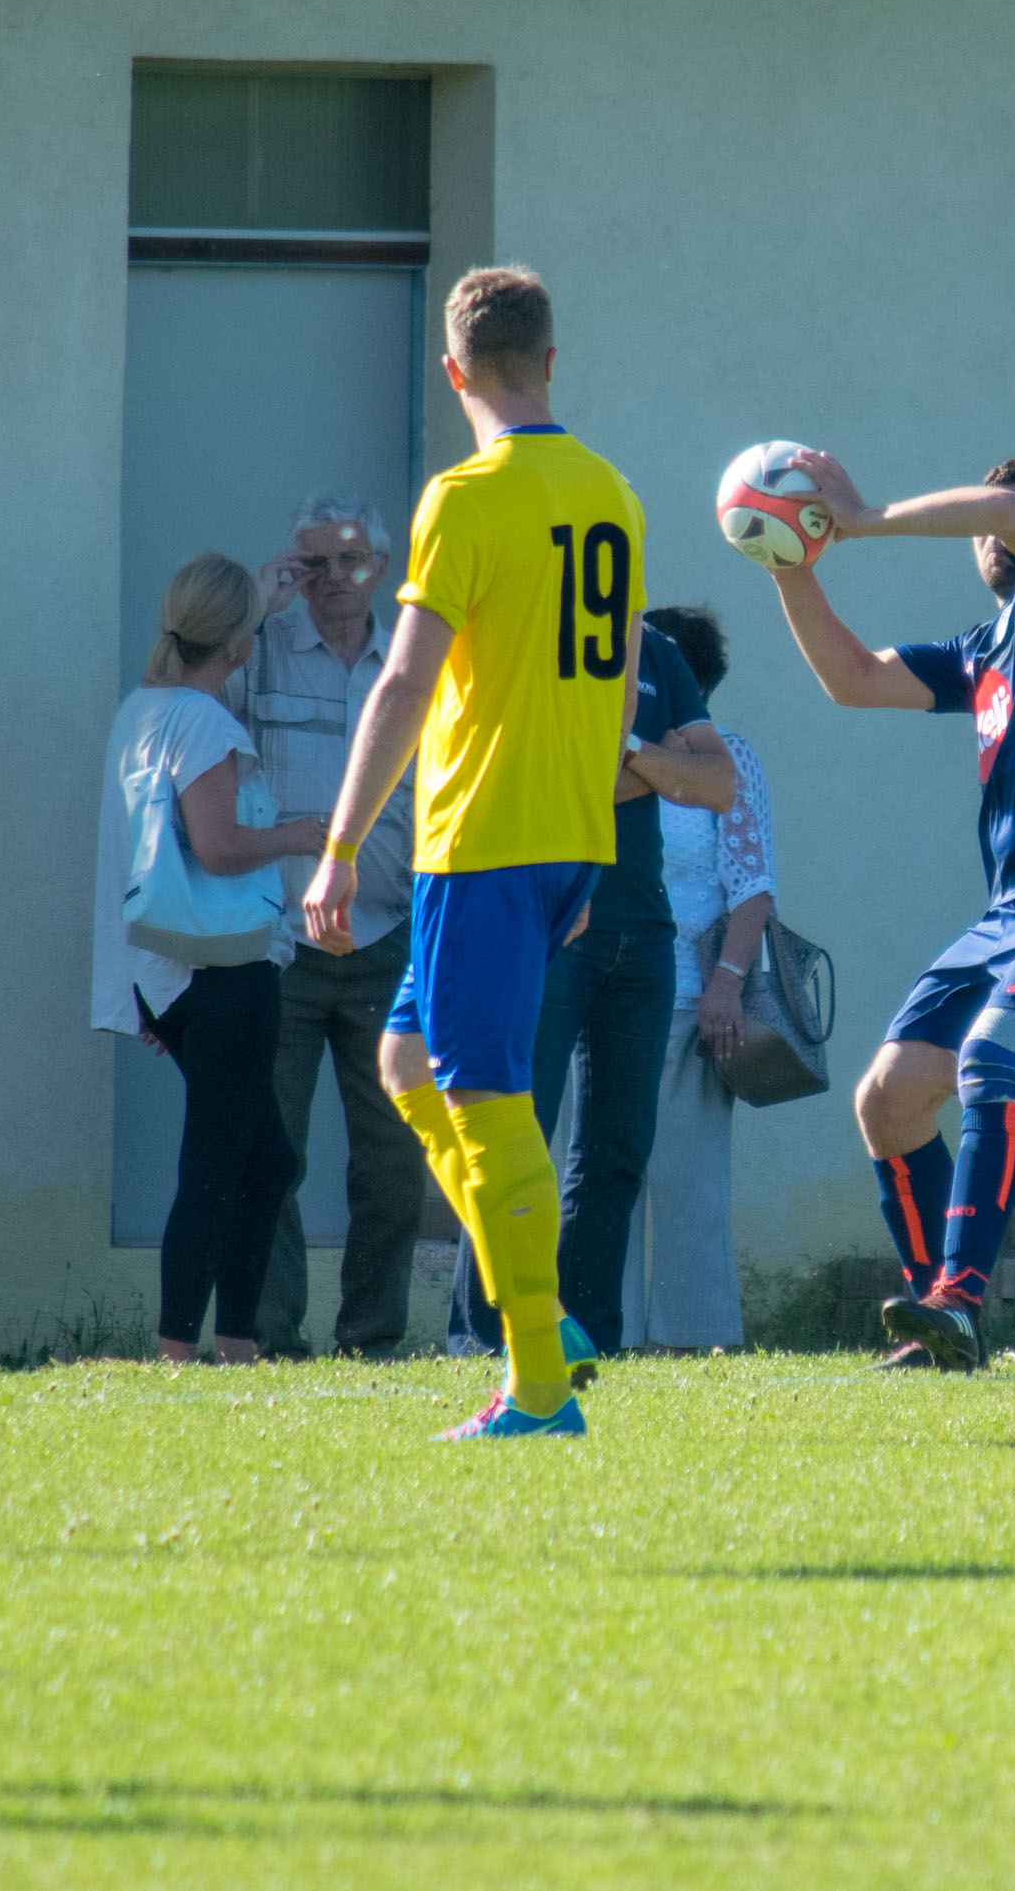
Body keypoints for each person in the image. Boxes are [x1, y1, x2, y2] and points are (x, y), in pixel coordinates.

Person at [301, 263, 646, 1441]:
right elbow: (620, 681)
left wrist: (341, 845)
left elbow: (403, 680)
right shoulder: (611, 490)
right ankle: (549, 1321)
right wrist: (589, 844)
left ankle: (539, 1380)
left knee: (487, 1096)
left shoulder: (463, 496)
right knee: (407, 1063)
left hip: (484, 837)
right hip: (563, 833)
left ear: (453, 371)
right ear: (549, 361)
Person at [761, 449, 1015, 1373]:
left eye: (1008, 515)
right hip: (1008, 914)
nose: (990, 530)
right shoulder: (979, 651)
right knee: (888, 1101)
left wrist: (863, 517)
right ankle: (941, 1332)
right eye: (982, 522)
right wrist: (789, 566)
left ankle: (959, 1298)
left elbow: (1008, 514)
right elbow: (853, 678)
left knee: (991, 1055)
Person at [447, 615, 734, 1360]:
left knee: (617, 1151)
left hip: (643, 932)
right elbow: (548, 779)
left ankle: (586, 1339)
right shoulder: (531, 630)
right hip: (546, 926)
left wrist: (627, 750)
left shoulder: (658, 651)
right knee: (516, 1136)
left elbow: (718, 782)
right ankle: (482, 1338)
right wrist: (662, 762)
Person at [94, 553, 325, 1363]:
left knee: (266, 1163)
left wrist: (260, 601)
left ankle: (233, 1345)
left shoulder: (144, 708)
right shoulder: (206, 724)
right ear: (238, 643)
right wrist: (303, 835)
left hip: (165, 972)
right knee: (218, 1165)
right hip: (222, 970)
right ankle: (179, 1349)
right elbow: (221, 847)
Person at [228, 494, 428, 1358]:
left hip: (390, 939)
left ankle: (373, 1338)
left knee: (392, 1159)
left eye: (350, 561)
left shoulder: (416, 656)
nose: (332, 578)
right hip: (280, 946)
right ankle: (271, 1339)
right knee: (271, 1152)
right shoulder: (259, 647)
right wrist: (252, 610)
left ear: (380, 569)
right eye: (314, 563)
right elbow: (183, 708)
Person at [619, 604, 776, 1350]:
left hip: (690, 1005)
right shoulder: (609, 751)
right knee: (596, 1175)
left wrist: (726, 985)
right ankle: (599, 1330)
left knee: (691, 1184)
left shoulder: (729, 759)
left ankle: (695, 1340)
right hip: (601, 992)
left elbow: (752, 886)